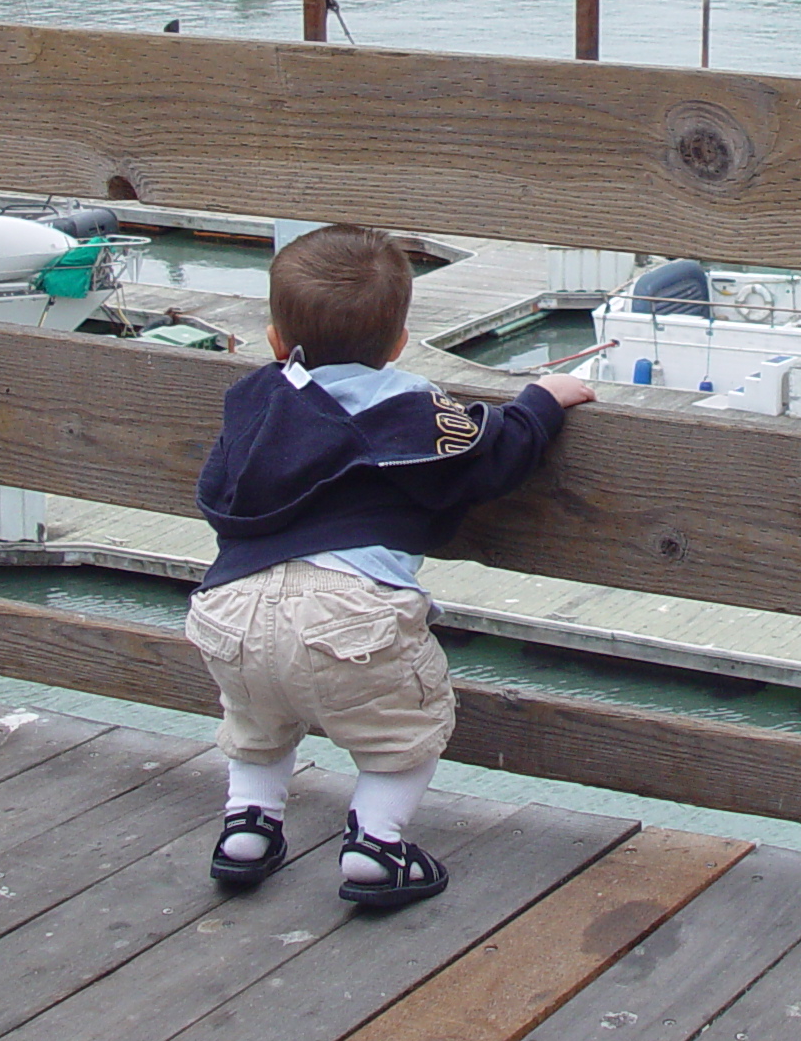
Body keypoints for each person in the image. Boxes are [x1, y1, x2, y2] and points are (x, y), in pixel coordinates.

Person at [185, 224, 592, 906]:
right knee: (404, 729)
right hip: (349, 608)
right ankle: (377, 846)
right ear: (400, 345)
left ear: (276, 343)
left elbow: (216, 491)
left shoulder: (252, 403)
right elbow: (495, 457)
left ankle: (247, 830)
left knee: (257, 721)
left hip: (231, 604)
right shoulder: (409, 411)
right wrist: (542, 402)